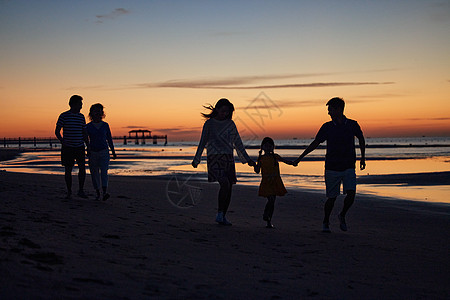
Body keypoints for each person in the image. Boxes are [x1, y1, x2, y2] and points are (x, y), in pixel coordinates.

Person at [294, 97, 366, 233]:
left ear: (339, 109)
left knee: (351, 194)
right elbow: (315, 143)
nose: (329, 113)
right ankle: (326, 220)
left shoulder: (352, 124)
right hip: (332, 167)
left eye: (330, 110)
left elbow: (361, 138)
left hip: (349, 165)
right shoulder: (327, 127)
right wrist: (300, 158)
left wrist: (363, 158)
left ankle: (342, 215)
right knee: (331, 198)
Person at [192, 98, 255, 225]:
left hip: (228, 158)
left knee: (229, 186)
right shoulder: (209, 124)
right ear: (217, 109)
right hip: (214, 158)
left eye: (227, 112)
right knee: (225, 184)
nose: (225, 113)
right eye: (223, 110)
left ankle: (222, 215)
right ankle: (220, 213)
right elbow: (203, 142)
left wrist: (247, 159)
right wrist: (197, 158)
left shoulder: (230, 124)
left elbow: (238, 143)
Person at [254, 137, 295, 228]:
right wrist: (254, 165)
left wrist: (293, 163)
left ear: (273, 147)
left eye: (270, 146)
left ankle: (269, 221)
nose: (268, 147)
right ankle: (266, 214)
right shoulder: (261, 158)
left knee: (272, 202)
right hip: (266, 182)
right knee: (271, 199)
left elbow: (285, 161)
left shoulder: (275, 156)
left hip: (275, 181)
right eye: (266, 145)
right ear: (262, 147)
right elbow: (257, 170)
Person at [55, 95, 89, 199]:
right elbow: (57, 131)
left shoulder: (81, 117)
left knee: (82, 169)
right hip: (68, 147)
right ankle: (69, 191)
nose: (81, 106)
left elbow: (84, 132)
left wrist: (88, 145)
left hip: (80, 146)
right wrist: (62, 141)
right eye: (80, 104)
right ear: (73, 104)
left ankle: (81, 190)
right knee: (68, 169)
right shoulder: (64, 115)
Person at [86, 103, 116, 201]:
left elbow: (109, 139)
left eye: (99, 111)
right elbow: (85, 140)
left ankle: (104, 192)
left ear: (102, 113)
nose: (97, 113)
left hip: (104, 151)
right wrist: (87, 149)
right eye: (95, 111)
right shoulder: (88, 126)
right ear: (91, 113)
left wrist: (113, 152)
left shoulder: (105, 125)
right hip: (93, 152)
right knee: (94, 173)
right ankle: (98, 192)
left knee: (104, 172)